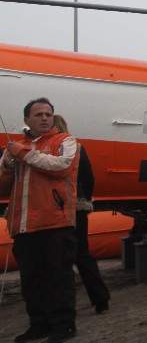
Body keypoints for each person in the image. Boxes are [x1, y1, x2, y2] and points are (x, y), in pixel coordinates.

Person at [0, 98, 79, 343]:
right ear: (27, 120)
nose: (44, 118)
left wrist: (22, 153)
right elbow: (2, 187)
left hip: (55, 221)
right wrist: (7, 166)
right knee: (31, 279)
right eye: (38, 115)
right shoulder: (15, 148)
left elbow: (61, 167)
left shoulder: (65, 141)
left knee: (59, 276)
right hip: (24, 225)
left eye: (48, 114)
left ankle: (64, 325)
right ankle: (39, 324)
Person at [52, 115, 111, 315]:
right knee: (82, 254)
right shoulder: (77, 148)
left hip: (53, 209)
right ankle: (101, 299)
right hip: (77, 207)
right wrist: (85, 198)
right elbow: (89, 177)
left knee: (58, 258)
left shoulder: (43, 150)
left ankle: (62, 305)